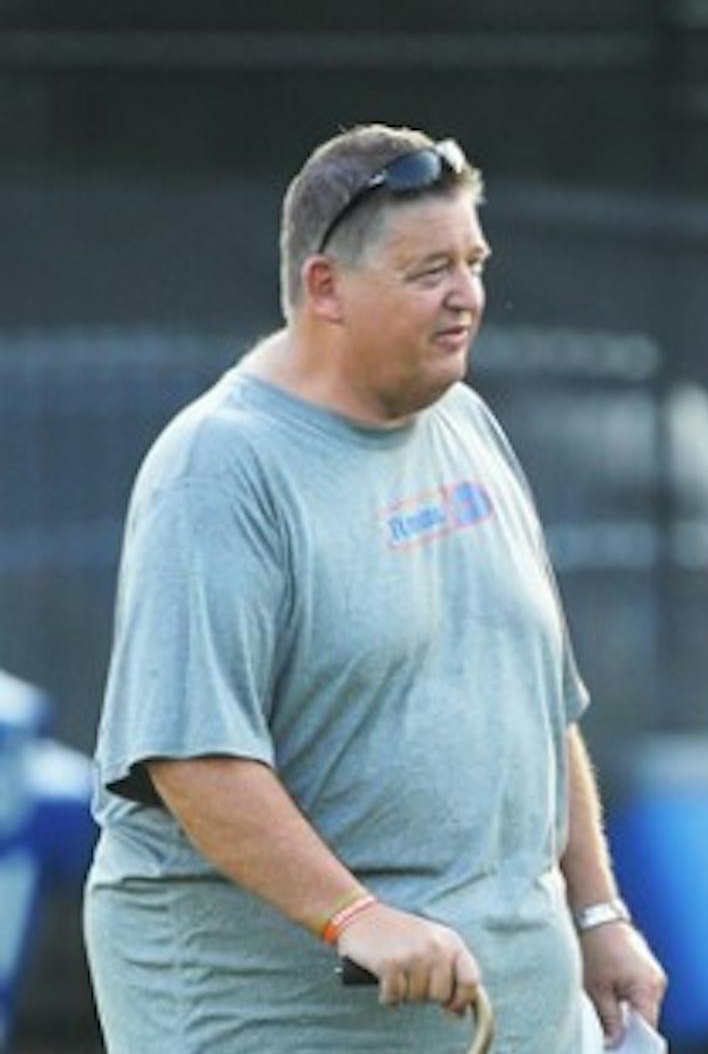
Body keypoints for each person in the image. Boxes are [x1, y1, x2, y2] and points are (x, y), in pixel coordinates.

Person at [84, 123, 666, 1052]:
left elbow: (538, 707)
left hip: (530, 1017)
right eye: (429, 269)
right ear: (326, 288)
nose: (468, 295)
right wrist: (354, 915)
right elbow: (193, 759)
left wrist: (598, 915)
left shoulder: (467, 421)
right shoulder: (219, 468)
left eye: (474, 260)